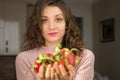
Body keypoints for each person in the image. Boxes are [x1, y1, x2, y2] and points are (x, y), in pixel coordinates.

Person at [15, 0, 95, 80]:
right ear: (37, 25)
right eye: (44, 20)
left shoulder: (85, 56)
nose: (51, 27)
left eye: (58, 19)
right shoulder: (23, 59)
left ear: (66, 24)